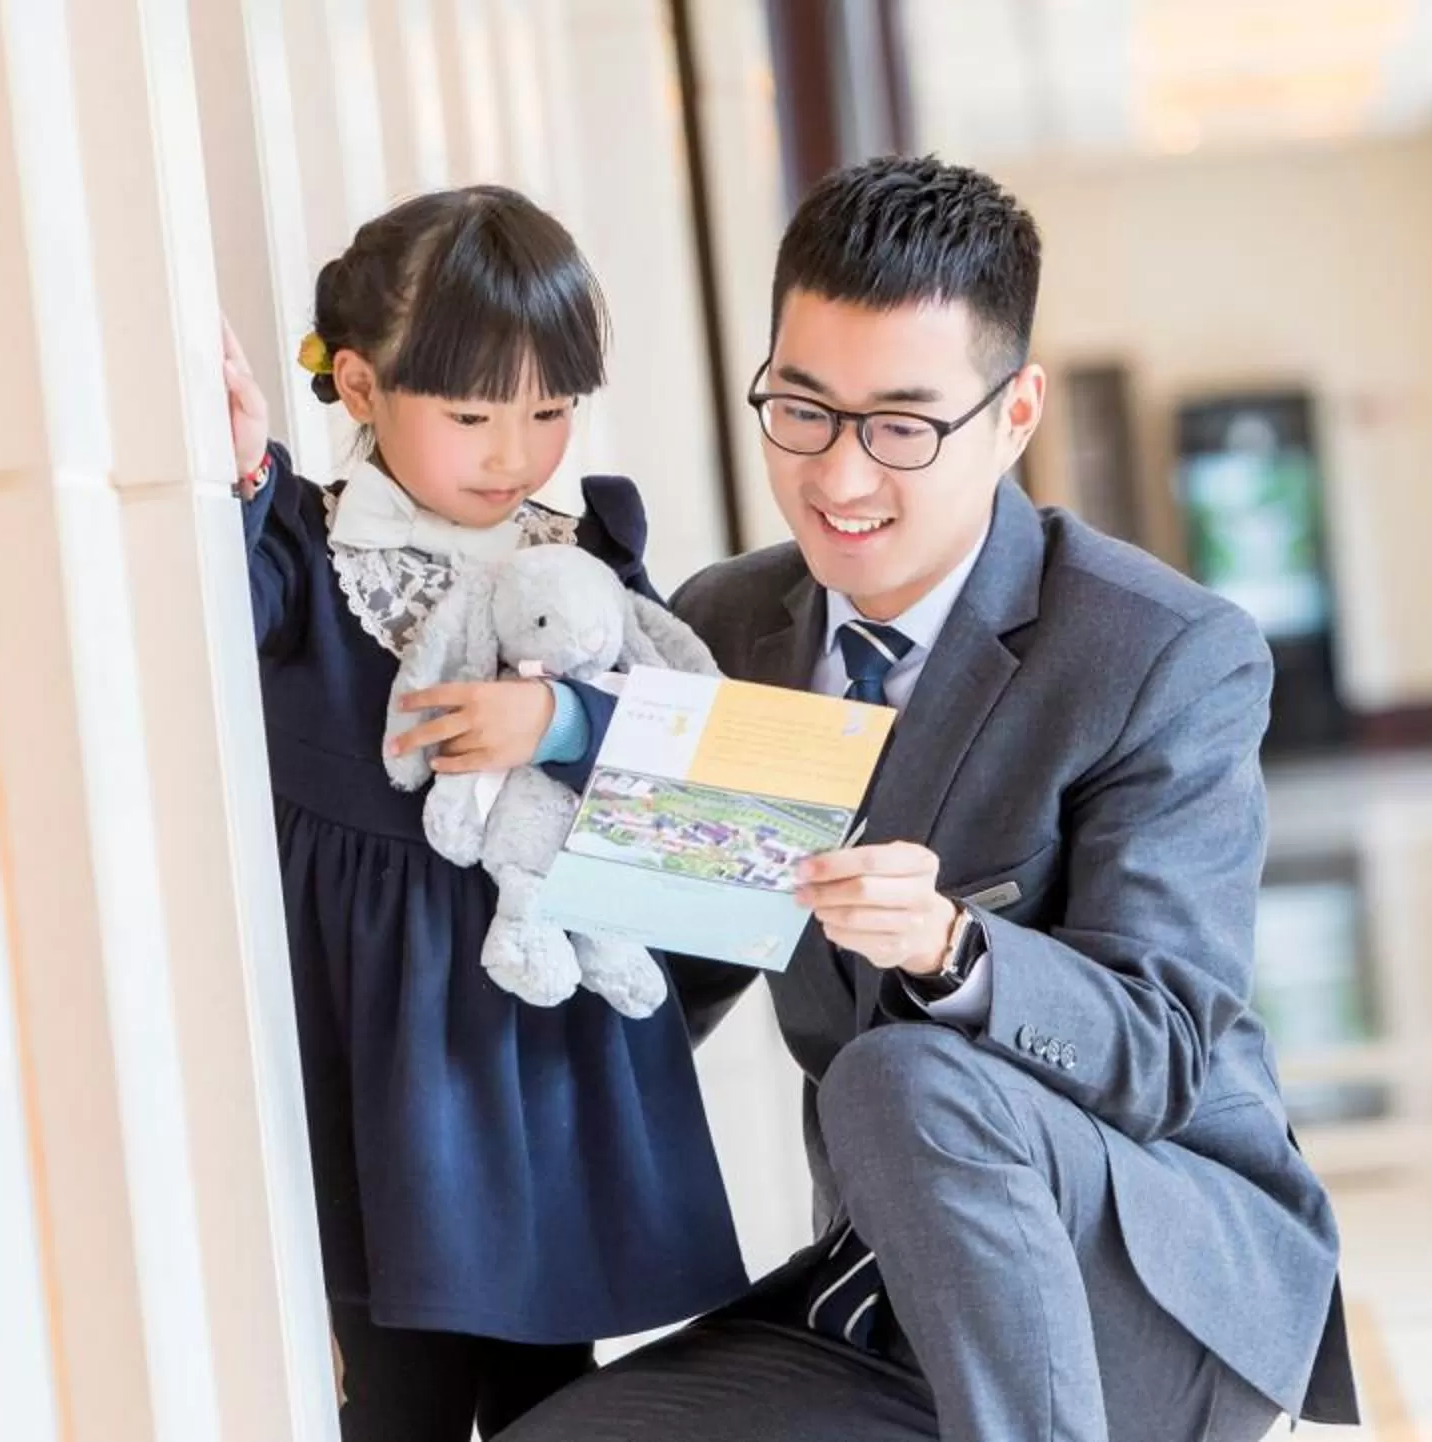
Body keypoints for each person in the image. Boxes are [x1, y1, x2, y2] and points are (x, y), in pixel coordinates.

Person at [503, 155, 1363, 1442]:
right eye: (803, 409)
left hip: (1152, 1285)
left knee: (900, 1076)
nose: (840, 478)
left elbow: (1168, 1047)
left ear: (1015, 414)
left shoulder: (1160, 652)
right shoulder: (727, 625)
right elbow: (662, 979)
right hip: (895, 1288)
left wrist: (957, 950)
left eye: (902, 427)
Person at [221, 185, 747, 1442]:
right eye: (471, 414)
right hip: (380, 1051)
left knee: (554, 1398)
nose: (515, 452)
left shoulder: (587, 552)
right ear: (358, 386)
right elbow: (195, 623)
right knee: (390, 1389)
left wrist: (560, 719)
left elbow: (705, 769)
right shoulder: (303, 545)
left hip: (546, 1049)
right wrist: (230, 472)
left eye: (550, 410)